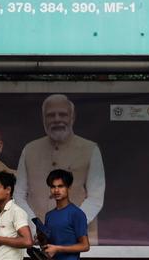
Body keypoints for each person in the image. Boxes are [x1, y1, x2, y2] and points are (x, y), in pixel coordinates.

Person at [15, 94, 105, 243]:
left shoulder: (90, 149)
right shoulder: (30, 149)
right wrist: (34, 226)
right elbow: (19, 195)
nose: (57, 119)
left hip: (79, 235)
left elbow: (95, 198)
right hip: (35, 237)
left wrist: (71, 226)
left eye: (62, 114)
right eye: (51, 115)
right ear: (44, 119)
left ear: (72, 117)